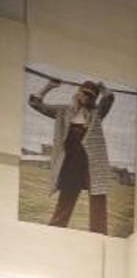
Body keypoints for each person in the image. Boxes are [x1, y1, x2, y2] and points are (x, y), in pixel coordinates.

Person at [28, 77, 116, 233]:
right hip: (70, 162)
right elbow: (35, 104)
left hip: (92, 162)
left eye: (91, 96)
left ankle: (99, 235)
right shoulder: (63, 111)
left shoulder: (97, 114)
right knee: (66, 198)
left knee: (98, 197)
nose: (87, 97)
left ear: (94, 99)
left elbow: (108, 99)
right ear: (78, 93)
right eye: (85, 93)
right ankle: (55, 231)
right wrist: (49, 86)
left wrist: (103, 88)